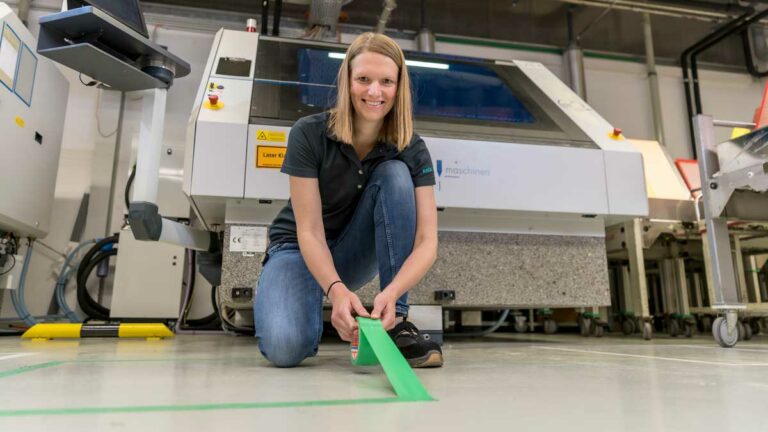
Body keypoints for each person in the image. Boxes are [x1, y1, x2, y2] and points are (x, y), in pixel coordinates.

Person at [253, 32, 442, 369]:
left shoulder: (411, 147)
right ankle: (304, 294)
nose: (374, 91)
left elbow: (427, 241)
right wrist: (336, 290)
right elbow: (308, 231)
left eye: (386, 81)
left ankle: (397, 326)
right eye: (363, 79)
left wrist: (394, 292)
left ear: (398, 88)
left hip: (354, 252)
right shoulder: (308, 133)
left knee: (396, 173)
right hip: (297, 250)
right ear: (347, 82)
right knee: (284, 349)